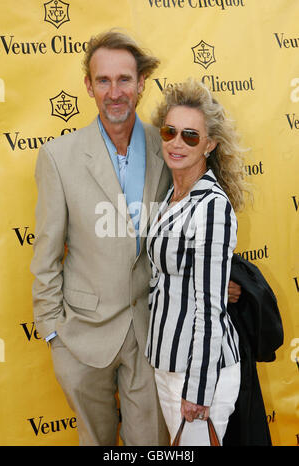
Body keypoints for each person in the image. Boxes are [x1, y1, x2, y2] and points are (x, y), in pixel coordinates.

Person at [31, 30, 241, 446]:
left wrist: (212, 285)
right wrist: (53, 331)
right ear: (89, 86)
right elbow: (46, 253)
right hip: (82, 336)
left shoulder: (167, 142)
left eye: (124, 79)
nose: (115, 92)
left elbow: (192, 225)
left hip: (155, 337)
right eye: (103, 80)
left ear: (142, 83)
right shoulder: (59, 157)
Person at [145, 78, 249, 446]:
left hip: (197, 373)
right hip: (167, 360)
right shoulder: (171, 195)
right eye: (170, 131)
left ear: (210, 143)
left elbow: (210, 305)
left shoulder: (211, 206)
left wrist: (199, 390)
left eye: (190, 136)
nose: (176, 142)